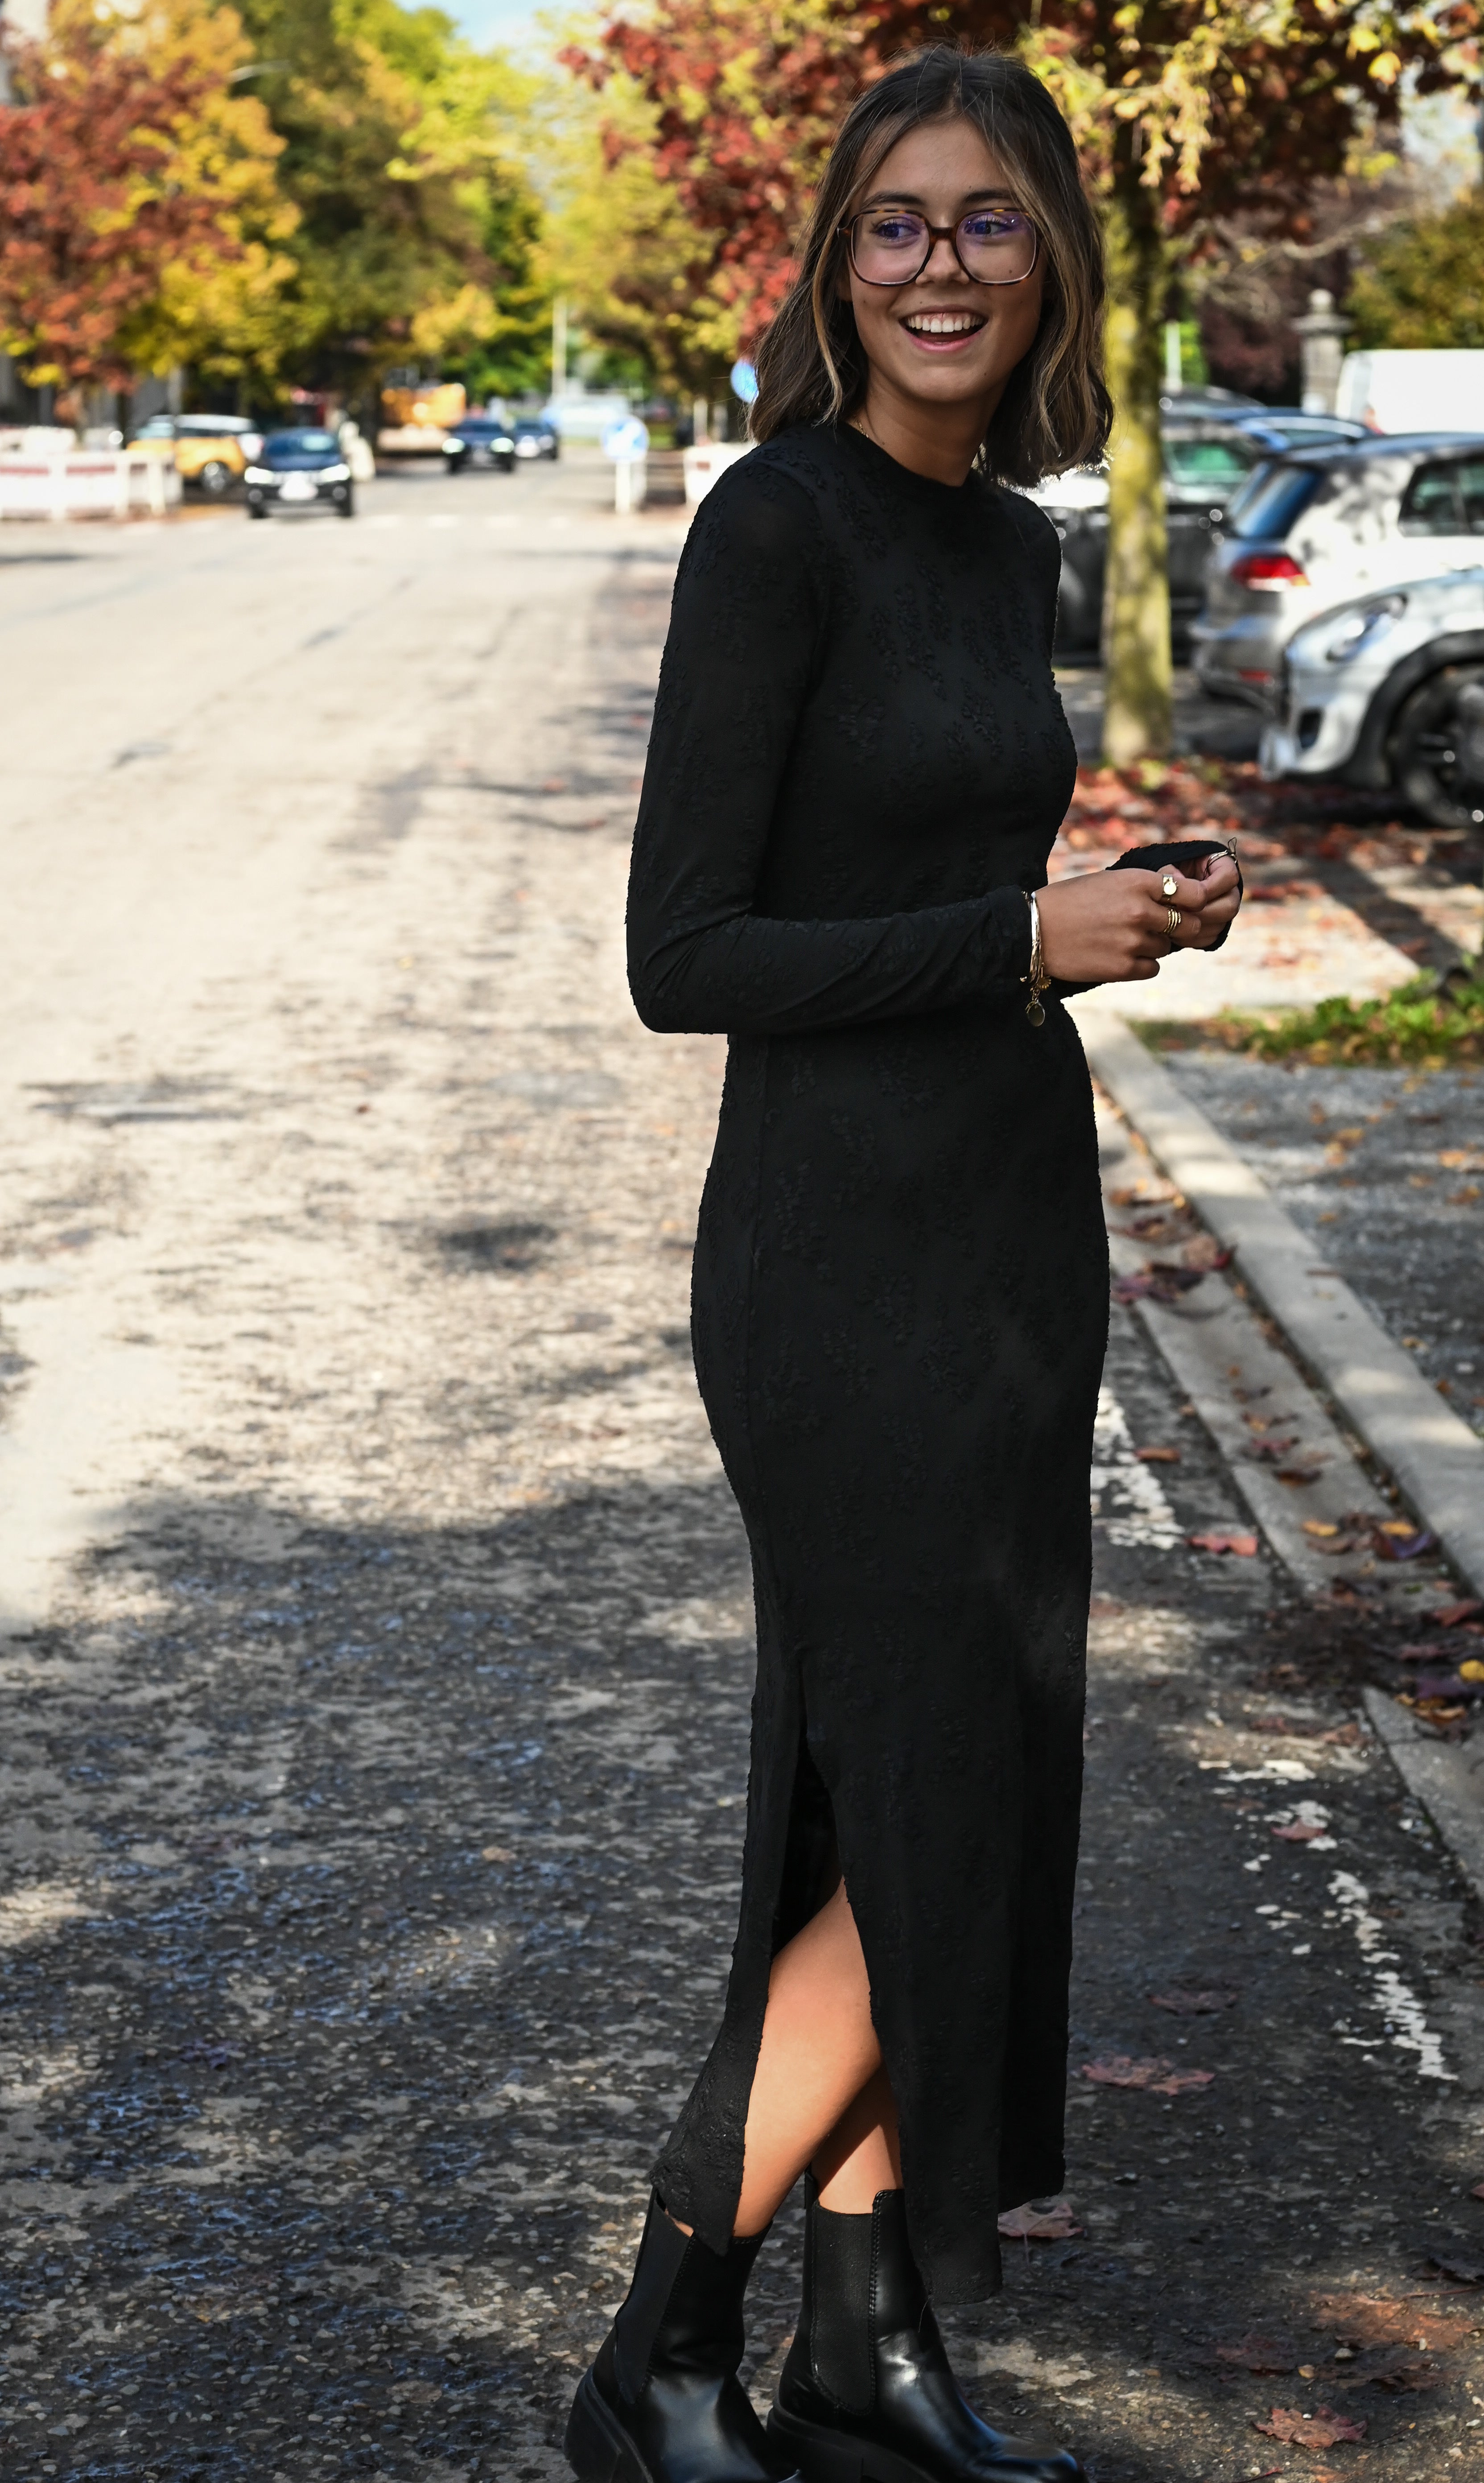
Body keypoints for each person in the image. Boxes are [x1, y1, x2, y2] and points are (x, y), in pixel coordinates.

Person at [565, 44, 1243, 2483]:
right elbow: (688, 956)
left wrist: (1107, 902)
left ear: (1051, 259)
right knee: (941, 1814)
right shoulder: (779, 527)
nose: (940, 264)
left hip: (1006, 1241)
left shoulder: (1002, 543)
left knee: (906, 1805)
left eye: (986, 220)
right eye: (895, 221)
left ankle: (861, 2351)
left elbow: (940, 883)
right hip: (840, 1270)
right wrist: (1016, 938)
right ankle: (661, 2350)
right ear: (837, 263)